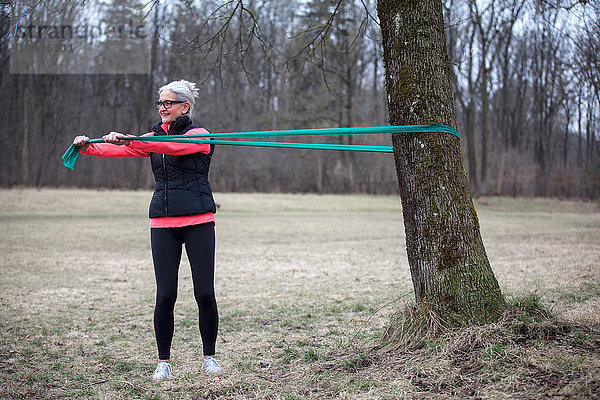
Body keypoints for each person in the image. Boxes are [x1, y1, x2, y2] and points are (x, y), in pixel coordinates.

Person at [73, 80, 222, 380]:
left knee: (204, 292)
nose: (163, 108)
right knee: (165, 295)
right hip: (162, 223)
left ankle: (209, 357)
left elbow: (171, 147)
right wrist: (87, 146)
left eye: (169, 103)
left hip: (198, 220)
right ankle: (163, 362)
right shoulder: (149, 138)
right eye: (160, 103)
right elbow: (115, 151)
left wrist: (131, 140)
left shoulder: (200, 135)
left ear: (185, 106)